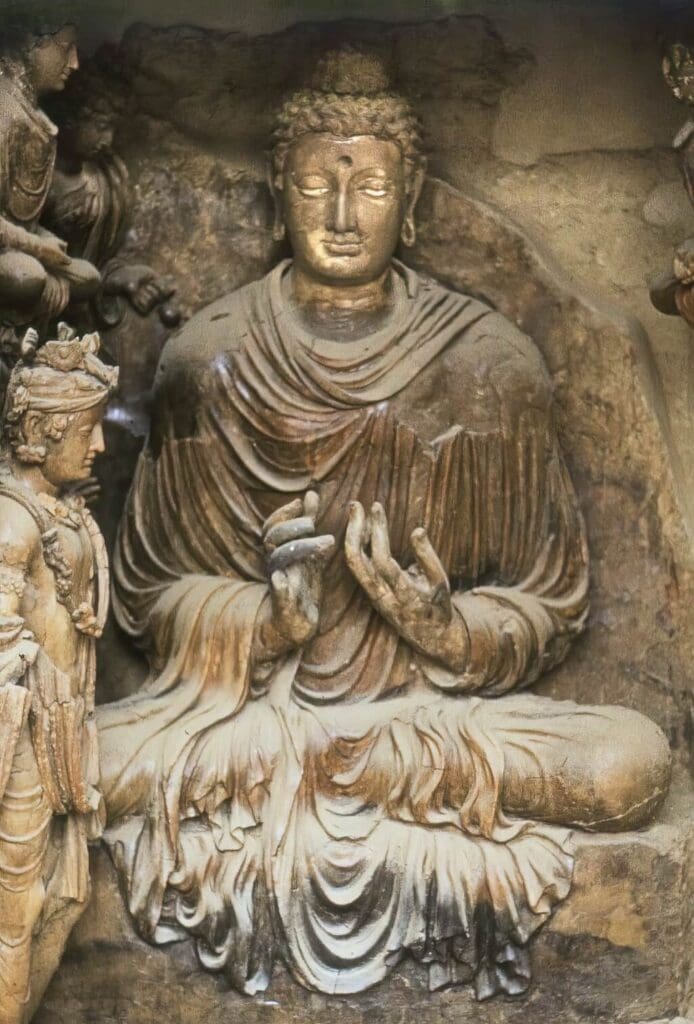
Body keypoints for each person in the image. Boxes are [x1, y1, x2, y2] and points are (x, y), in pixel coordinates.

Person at [98, 49, 671, 1001]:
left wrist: (448, 629)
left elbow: (551, 602)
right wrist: (266, 624)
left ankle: (334, 780)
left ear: (412, 203)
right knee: (71, 757)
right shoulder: (210, 358)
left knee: (627, 766)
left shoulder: (492, 366)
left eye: (368, 186)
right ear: (278, 193)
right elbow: (150, 598)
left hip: (431, 721)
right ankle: (336, 776)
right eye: (319, 182)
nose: (339, 213)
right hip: (258, 724)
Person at [0, 323, 117, 1022]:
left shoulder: (63, 510)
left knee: (67, 896)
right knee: (16, 911)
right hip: (25, 743)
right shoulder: (11, 522)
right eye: (89, 430)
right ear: (43, 430)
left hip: (66, 732)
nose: (100, 445)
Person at [0, 21, 100, 328]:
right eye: (65, 47)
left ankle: (27, 328)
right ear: (33, 44)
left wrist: (43, 239)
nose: (74, 63)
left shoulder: (30, 115)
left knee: (89, 277)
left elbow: (22, 216)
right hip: (15, 251)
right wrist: (37, 246)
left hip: (19, 243)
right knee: (27, 276)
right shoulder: (5, 110)